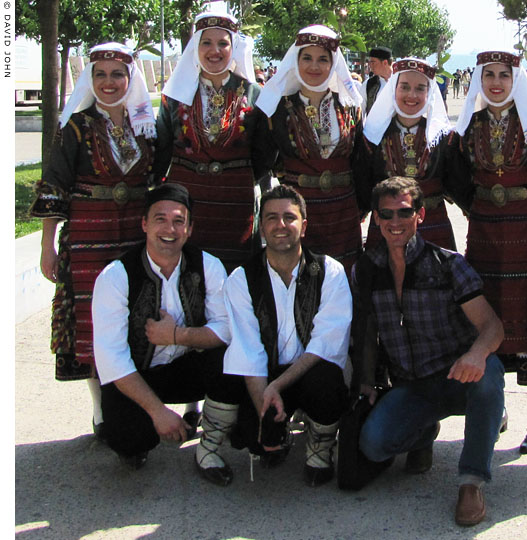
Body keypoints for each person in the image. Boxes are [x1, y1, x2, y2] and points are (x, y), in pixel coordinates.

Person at [350, 177, 505, 527]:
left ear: (420, 214)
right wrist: (366, 382)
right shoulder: (366, 270)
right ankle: (423, 433)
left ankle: (472, 482)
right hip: (411, 387)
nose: (394, 221)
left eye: (404, 212)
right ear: (375, 218)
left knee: (489, 375)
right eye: (386, 214)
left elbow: (492, 326)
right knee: (373, 445)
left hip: (456, 377)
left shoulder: (447, 265)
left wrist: (476, 354)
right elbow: (368, 331)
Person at [30, 42, 157, 440]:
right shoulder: (76, 126)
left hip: (134, 233)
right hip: (88, 231)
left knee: (132, 312)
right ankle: (102, 410)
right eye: (99, 74)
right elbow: (54, 184)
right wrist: (47, 244)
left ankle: (134, 402)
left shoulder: (146, 126)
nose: (108, 82)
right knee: (90, 317)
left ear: (130, 78)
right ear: (89, 79)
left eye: (117, 74)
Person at [92, 183, 244, 486]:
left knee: (233, 360)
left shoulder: (208, 266)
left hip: (186, 367)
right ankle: (140, 433)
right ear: (145, 224)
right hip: (136, 376)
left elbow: (226, 329)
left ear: (189, 229)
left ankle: (209, 447)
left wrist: (177, 335)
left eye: (178, 221)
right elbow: (112, 360)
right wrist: (158, 412)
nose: (169, 229)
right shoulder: (115, 276)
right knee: (128, 437)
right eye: (160, 219)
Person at [451, 50, 527, 452]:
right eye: (488, 74)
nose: (495, 82)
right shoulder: (470, 125)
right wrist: (473, 206)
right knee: (488, 319)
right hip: (486, 233)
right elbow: (458, 176)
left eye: (503, 75)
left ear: (516, 81)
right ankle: (498, 406)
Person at [223, 185, 351, 486]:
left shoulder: (330, 271)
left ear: (303, 226)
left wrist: (278, 386)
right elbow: (248, 349)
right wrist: (265, 409)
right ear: (261, 227)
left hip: (309, 371)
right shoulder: (241, 278)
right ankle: (278, 431)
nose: (280, 226)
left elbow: (325, 345)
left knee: (326, 381)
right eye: (271, 218)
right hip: (265, 376)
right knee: (252, 437)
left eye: (289, 217)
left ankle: (320, 445)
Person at [154, 11, 264, 272]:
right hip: (188, 199)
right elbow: (162, 148)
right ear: (196, 47)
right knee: (189, 272)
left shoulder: (253, 93)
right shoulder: (176, 94)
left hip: (235, 202)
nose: (215, 51)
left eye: (223, 43)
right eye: (206, 43)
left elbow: (263, 152)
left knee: (236, 275)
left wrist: (237, 174)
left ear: (233, 48)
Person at [253, 25, 364, 275]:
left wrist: (362, 206)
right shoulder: (277, 109)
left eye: (323, 59)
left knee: (344, 278)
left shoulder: (350, 106)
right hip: (297, 209)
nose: (314, 66)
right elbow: (263, 159)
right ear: (296, 61)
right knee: (300, 277)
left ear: (333, 63)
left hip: (343, 209)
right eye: (307, 58)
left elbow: (360, 160)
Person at [354, 57, 456, 251]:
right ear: (394, 89)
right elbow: (363, 182)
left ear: (429, 93)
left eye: (420, 88)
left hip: (433, 224)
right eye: (405, 87)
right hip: (387, 225)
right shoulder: (373, 135)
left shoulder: (443, 137)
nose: (412, 95)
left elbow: (456, 182)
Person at [361, 46, 393, 114]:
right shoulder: (368, 84)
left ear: (385, 63)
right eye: (369, 62)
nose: (370, 66)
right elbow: (360, 110)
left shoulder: (400, 81)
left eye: (373, 62)